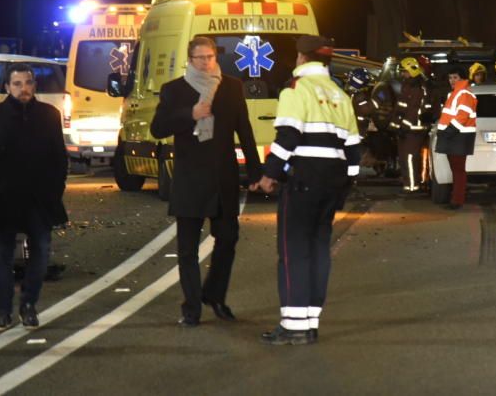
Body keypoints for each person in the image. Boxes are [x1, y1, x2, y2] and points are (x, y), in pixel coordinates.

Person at [253, 35, 361, 345]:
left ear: (302, 58)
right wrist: (347, 184)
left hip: (303, 180)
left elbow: (288, 135)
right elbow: (353, 147)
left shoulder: (297, 88)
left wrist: (270, 174)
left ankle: (293, 325)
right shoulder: (339, 94)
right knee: (317, 250)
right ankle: (310, 322)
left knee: (293, 251)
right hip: (333, 182)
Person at [150, 36, 262, 327]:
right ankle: (192, 307)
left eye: (210, 57)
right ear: (190, 60)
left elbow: (245, 132)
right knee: (187, 248)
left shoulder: (232, 87)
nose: (206, 63)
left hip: (222, 177)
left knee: (228, 239)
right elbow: (158, 128)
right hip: (190, 178)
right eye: (200, 58)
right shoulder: (174, 89)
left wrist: (257, 173)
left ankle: (215, 294)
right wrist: (190, 114)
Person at [0, 62, 67, 331]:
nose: (23, 89)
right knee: (2, 256)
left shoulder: (49, 114)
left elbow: (58, 156)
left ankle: (29, 305)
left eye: (27, 83)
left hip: (40, 198)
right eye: (17, 84)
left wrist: (54, 190)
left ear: (34, 85)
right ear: (7, 87)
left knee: (40, 253)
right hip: (4, 198)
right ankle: (3, 310)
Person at [434, 66, 477, 210]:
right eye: (450, 77)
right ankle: (456, 198)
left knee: (458, 171)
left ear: (463, 79)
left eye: (455, 77)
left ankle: (457, 200)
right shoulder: (456, 93)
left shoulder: (463, 93)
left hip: (458, 137)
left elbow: (462, 116)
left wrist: (448, 131)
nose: (452, 80)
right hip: (456, 136)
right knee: (456, 170)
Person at [391, 58, 433, 192]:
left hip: (414, 130)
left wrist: (402, 126)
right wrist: (395, 126)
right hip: (407, 129)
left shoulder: (417, 88)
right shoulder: (408, 85)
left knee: (409, 158)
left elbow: (413, 111)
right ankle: (408, 185)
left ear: (412, 71)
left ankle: (413, 188)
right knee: (404, 158)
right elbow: (401, 108)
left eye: (405, 72)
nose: (403, 74)